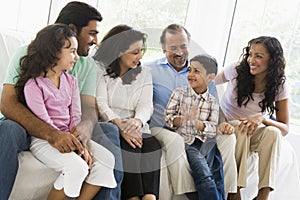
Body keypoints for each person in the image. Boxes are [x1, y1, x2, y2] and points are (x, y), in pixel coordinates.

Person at [0, 2, 123, 200]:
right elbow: (7, 104)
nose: (95, 40)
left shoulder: (85, 65)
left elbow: (88, 108)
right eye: (92, 33)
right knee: (8, 129)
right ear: (72, 30)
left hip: (66, 127)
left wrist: (84, 130)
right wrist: (53, 135)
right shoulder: (27, 55)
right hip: (29, 125)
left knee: (109, 131)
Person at [143, 23, 237, 200]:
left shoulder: (203, 70)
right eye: (172, 48)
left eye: (183, 46)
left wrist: (223, 124)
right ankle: (192, 195)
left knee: (229, 138)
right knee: (176, 140)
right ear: (163, 49)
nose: (179, 52)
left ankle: (228, 194)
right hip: (163, 127)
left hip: (197, 128)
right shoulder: (150, 70)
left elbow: (215, 106)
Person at [215, 36, 289, 200]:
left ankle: (263, 194)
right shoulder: (236, 70)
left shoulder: (279, 84)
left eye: (259, 56)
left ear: (272, 60)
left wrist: (262, 118)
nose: (251, 60)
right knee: (243, 127)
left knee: (273, 133)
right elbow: (207, 84)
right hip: (229, 128)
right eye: (251, 54)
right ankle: (235, 192)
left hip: (252, 133)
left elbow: (284, 128)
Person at [94, 24, 162, 200]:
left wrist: (137, 122)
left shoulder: (144, 72)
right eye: (135, 52)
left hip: (135, 125)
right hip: (111, 124)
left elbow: (146, 105)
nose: (140, 56)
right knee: (130, 145)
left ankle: (149, 197)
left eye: (141, 51)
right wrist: (119, 124)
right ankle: (133, 197)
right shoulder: (100, 70)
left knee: (152, 144)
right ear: (119, 51)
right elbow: (101, 103)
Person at [164, 54, 227, 200]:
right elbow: (167, 119)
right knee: (203, 172)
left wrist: (199, 124)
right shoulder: (179, 93)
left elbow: (213, 128)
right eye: (190, 70)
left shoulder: (212, 102)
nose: (191, 74)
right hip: (187, 142)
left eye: (196, 71)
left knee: (217, 172)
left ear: (210, 77)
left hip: (206, 143)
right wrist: (181, 120)